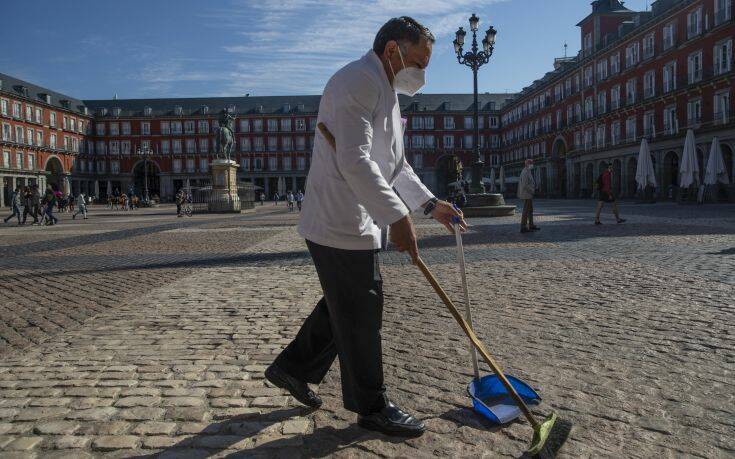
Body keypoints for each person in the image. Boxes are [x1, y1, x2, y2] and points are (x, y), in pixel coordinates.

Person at [266, 17, 465, 438]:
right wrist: (398, 217)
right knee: (361, 310)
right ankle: (371, 406)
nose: (423, 74)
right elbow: (355, 160)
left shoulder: (385, 90)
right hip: (339, 219)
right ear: (393, 50)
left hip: (356, 218)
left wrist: (430, 205)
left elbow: (395, 165)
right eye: (419, 62)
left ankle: (292, 368)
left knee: (345, 303)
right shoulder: (356, 81)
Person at [518, 159, 539, 233]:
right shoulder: (525, 172)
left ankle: (531, 224)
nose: (532, 165)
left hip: (528, 194)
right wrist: (532, 191)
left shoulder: (528, 171)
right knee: (526, 211)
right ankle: (523, 227)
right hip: (526, 194)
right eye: (531, 163)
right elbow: (525, 185)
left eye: (532, 163)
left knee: (530, 210)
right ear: (527, 164)